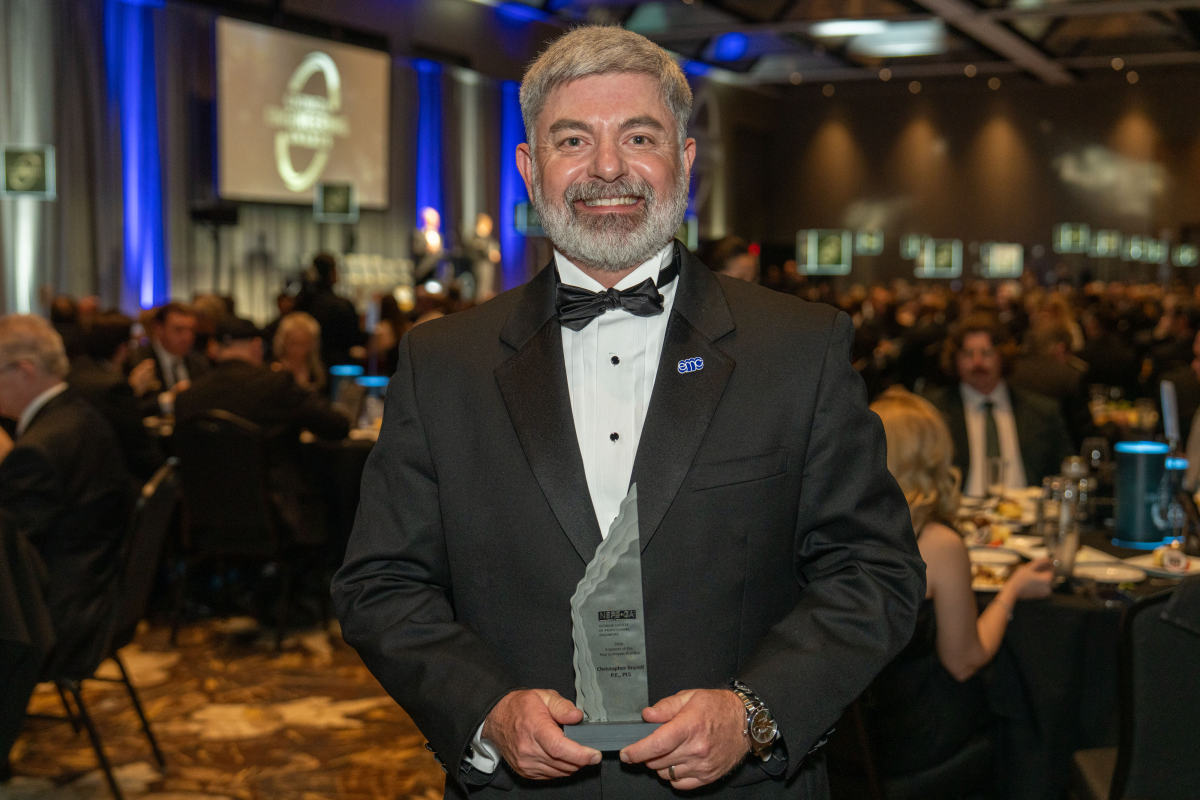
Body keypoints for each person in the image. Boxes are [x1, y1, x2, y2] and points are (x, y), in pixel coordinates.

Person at [332, 26, 925, 799]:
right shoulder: (443, 362)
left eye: (637, 136)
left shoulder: (798, 348)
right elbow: (381, 582)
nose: (606, 168)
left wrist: (755, 712)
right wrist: (483, 710)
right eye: (572, 139)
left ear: (682, 159)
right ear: (530, 168)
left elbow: (875, 572)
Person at [863, 388, 1053, 775]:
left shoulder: (841, 528)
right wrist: (1012, 590)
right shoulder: (937, 544)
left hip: (849, 741)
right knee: (1024, 710)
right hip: (911, 742)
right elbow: (964, 660)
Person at [0, 315, 131, 774]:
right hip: (94, 593)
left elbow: (9, 555)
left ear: (25, 371)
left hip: (57, 618)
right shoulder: (78, 416)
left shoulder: (39, 449)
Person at [175, 317, 349, 545]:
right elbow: (337, 427)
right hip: (273, 513)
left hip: (203, 515)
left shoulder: (187, 397)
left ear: (216, 349)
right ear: (257, 347)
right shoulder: (277, 385)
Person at [926, 313, 1074, 497]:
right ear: (955, 359)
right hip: (957, 517)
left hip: (1026, 515)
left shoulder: (1041, 412)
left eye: (987, 353)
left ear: (1002, 356)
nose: (977, 362)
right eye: (968, 354)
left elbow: (1065, 474)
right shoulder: (932, 411)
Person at [67, 312, 163, 480]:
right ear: (122, 348)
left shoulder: (74, 372)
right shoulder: (115, 387)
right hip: (109, 478)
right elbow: (140, 453)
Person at [128, 302, 209, 417]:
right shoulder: (138, 359)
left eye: (191, 330)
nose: (187, 337)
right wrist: (169, 400)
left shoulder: (198, 362)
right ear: (158, 329)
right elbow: (132, 406)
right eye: (179, 330)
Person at [297, 254, 364, 370]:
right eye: (336, 269)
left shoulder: (302, 303)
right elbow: (354, 339)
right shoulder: (342, 305)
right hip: (338, 368)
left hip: (308, 367)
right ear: (331, 273)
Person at [271, 312, 326, 392]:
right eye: (293, 343)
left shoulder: (318, 374)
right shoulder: (272, 371)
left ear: (312, 345)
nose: (297, 350)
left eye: (302, 344)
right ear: (282, 342)